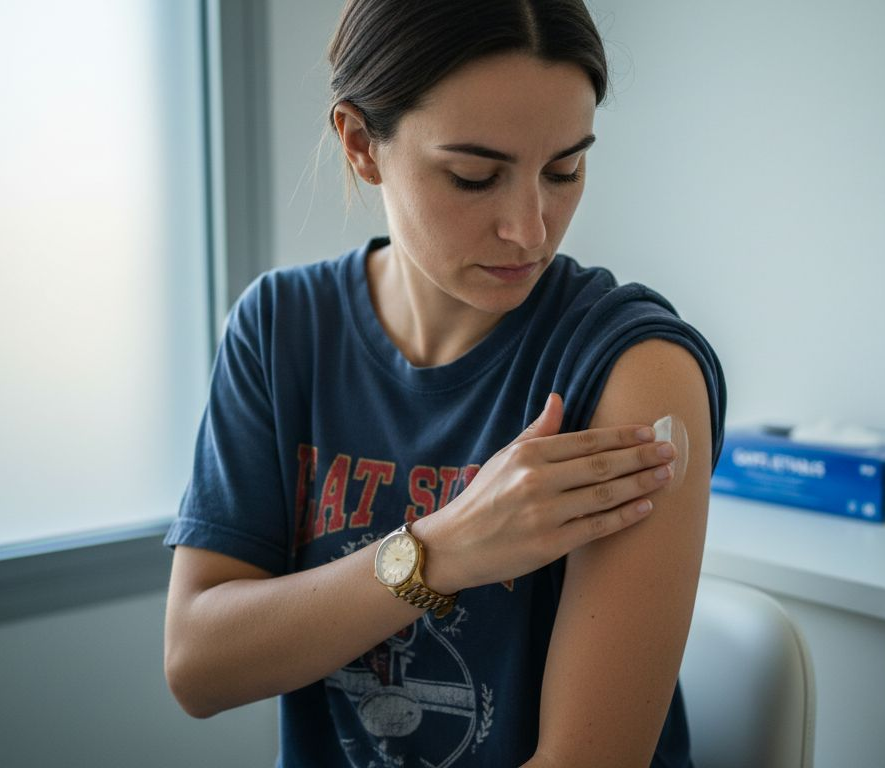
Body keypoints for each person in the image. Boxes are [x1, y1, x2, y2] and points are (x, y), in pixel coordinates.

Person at [162, 1, 726, 766]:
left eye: (564, 170)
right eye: (474, 176)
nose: (530, 228)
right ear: (360, 144)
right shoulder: (278, 329)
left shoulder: (635, 370)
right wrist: (441, 551)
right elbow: (198, 666)